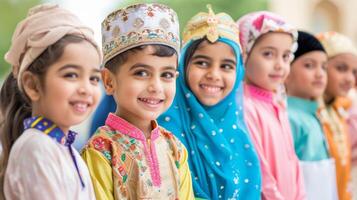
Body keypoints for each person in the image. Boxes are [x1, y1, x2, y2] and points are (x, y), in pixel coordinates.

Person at [81, 3, 194, 199]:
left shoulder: (175, 148)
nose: (156, 86)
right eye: (141, 73)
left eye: (166, 74)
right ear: (108, 81)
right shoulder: (100, 151)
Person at [158, 5, 261, 200]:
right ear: (182, 65)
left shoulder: (241, 135)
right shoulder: (164, 128)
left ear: (239, 72)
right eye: (202, 62)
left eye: (226, 66)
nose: (214, 75)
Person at [0, 4, 102, 199]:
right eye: (71, 75)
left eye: (93, 78)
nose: (85, 88)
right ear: (33, 86)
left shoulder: (66, 148)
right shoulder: (35, 148)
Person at [237, 11, 306, 199]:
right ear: (244, 54)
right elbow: (260, 172)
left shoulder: (277, 102)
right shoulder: (245, 106)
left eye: (285, 56)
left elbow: (293, 161)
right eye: (268, 54)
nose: (279, 65)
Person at [285, 30, 338, 200]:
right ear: (286, 69)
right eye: (309, 65)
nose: (319, 74)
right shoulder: (289, 117)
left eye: (323, 66)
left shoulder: (313, 115)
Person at [316, 31, 357, 200]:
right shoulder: (310, 112)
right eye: (341, 68)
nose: (349, 78)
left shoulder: (340, 110)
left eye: (354, 72)